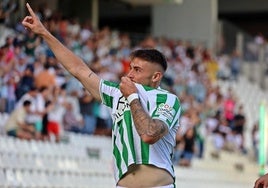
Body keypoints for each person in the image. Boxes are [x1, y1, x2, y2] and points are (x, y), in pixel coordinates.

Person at [22, 3, 181, 187]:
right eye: (130, 68)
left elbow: (149, 134)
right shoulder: (116, 93)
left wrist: (132, 97)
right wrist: (44, 33)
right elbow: (78, 69)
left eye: (137, 70)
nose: (129, 74)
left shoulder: (168, 100)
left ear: (155, 76)